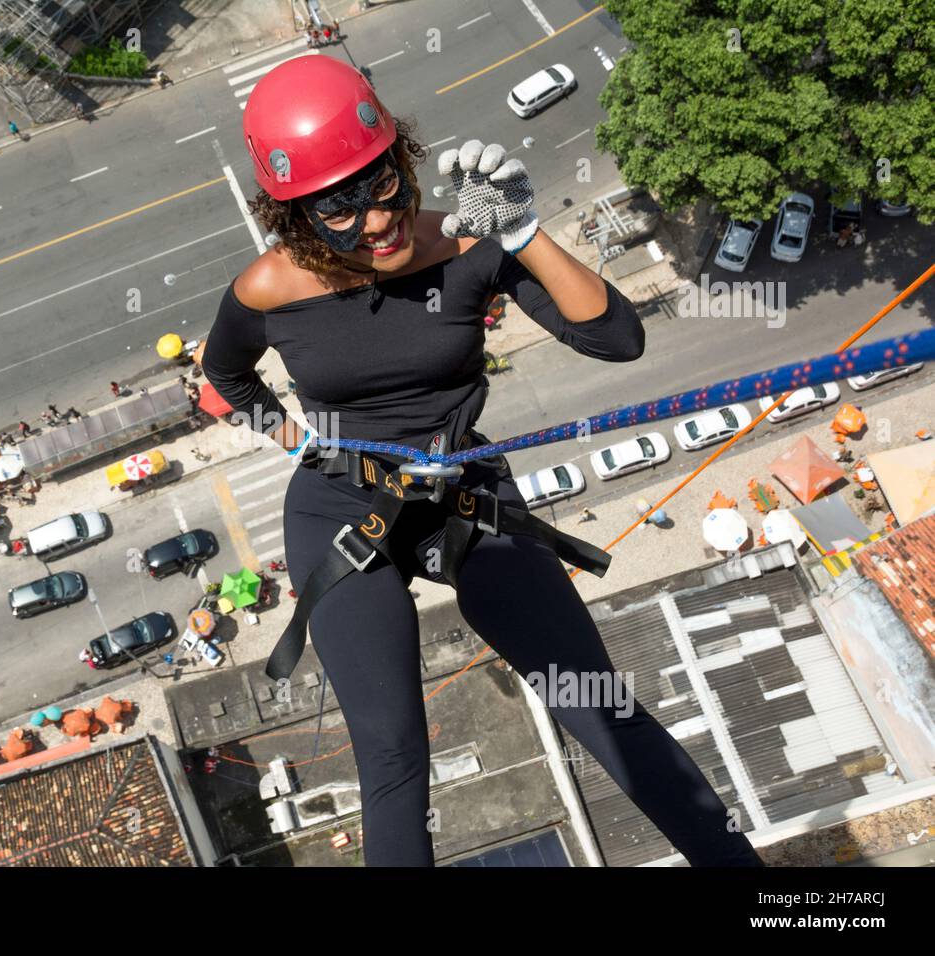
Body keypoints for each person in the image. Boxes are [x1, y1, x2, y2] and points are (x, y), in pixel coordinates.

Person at [201, 56, 763, 868]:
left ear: (403, 161)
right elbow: (226, 375)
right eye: (341, 210)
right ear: (295, 218)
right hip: (341, 507)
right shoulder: (269, 287)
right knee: (392, 755)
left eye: (385, 184)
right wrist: (299, 440)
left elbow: (616, 339)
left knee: (597, 702)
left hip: (464, 493)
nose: (378, 222)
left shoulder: (469, 244)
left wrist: (525, 234)